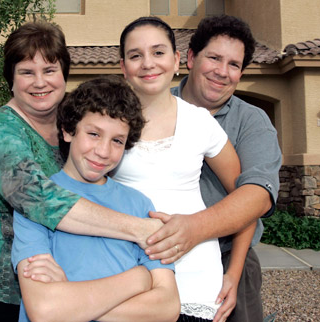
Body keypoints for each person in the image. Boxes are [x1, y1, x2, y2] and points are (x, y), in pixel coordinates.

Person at [0, 22, 163, 321]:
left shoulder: (76, 122)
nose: (40, 82)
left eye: (49, 70)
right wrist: (140, 229)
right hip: (6, 289)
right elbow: (42, 201)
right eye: (27, 72)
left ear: (63, 74)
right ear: (11, 79)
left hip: (76, 286)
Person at [111, 16, 256, 322]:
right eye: (136, 55)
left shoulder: (201, 122)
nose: (148, 63)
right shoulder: (107, 124)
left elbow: (245, 200)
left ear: (178, 60)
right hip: (125, 275)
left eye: (159, 52)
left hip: (196, 280)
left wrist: (233, 272)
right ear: (123, 67)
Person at [11, 76, 180, 322]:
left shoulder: (140, 206)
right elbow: (44, 310)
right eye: (93, 133)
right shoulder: (36, 203)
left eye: (117, 141)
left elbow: (167, 308)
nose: (103, 151)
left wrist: (71, 298)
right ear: (69, 131)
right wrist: (139, 279)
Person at [169, 15, 282, 322]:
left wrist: (230, 272)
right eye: (214, 58)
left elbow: (257, 196)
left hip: (230, 258)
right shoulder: (156, 108)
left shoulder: (252, 122)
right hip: (158, 258)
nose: (222, 72)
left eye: (233, 64)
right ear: (191, 58)